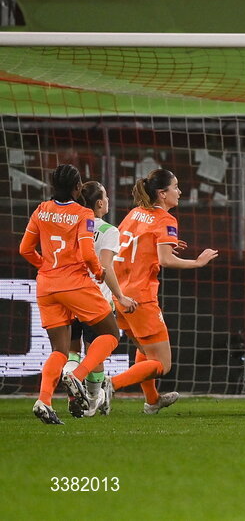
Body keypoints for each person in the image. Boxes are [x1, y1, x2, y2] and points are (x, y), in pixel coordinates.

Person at [19, 164, 137, 424]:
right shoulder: (83, 214)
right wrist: (98, 272)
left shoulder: (41, 210)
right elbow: (86, 253)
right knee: (110, 334)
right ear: (76, 188)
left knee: (59, 350)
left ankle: (44, 401)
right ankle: (78, 375)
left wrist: (46, 267)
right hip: (75, 284)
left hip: (47, 286)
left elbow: (25, 249)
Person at [106, 168, 218, 414]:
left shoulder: (135, 213)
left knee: (145, 351)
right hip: (141, 297)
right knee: (161, 363)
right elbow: (166, 260)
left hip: (120, 294)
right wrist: (198, 262)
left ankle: (152, 401)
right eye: (175, 187)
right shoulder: (166, 219)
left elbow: (126, 244)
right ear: (162, 193)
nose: (179, 191)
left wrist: (159, 246)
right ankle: (109, 385)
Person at [62, 181, 124, 417]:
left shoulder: (72, 227)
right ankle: (92, 401)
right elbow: (105, 266)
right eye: (106, 196)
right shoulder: (109, 230)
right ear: (99, 203)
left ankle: (76, 399)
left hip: (69, 295)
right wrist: (120, 295)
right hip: (95, 300)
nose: (108, 200)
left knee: (71, 352)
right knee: (96, 352)